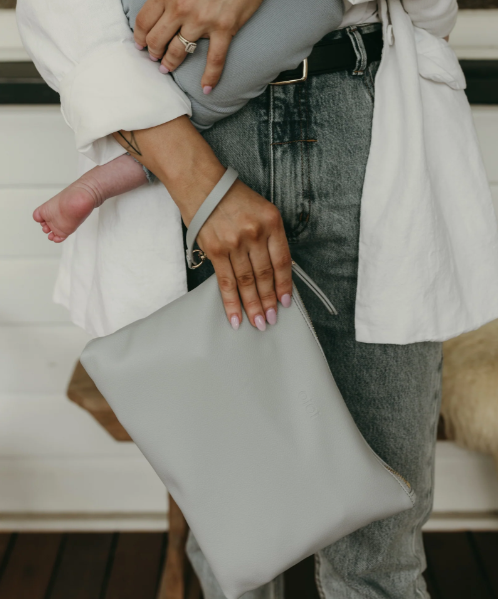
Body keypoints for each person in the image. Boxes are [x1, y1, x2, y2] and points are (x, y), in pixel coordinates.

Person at [16, 0, 498, 598]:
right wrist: (198, 185)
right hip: (179, 125)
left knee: (381, 556)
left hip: (367, 108)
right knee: (238, 552)